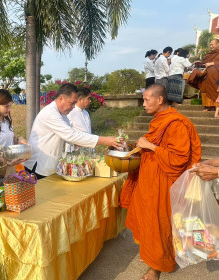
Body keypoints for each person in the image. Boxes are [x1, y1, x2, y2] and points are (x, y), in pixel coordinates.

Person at [120, 84, 201, 280]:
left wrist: (150, 146)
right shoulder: (160, 121)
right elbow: (156, 144)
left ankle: (156, 268)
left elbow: (178, 159)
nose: (144, 104)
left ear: (160, 100)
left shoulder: (176, 124)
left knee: (159, 225)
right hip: (150, 181)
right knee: (148, 222)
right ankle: (151, 255)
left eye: (147, 100)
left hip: (164, 184)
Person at [24, 83, 123, 179]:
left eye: (75, 103)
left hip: (49, 162)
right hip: (38, 165)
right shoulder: (50, 113)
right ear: (61, 98)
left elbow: (69, 136)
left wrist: (80, 143)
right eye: (71, 103)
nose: (73, 107)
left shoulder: (63, 114)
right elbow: (70, 135)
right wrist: (103, 140)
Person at [0, 89, 27, 174]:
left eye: (10, 106)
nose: (9, 109)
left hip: (11, 164)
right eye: (6, 106)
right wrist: (7, 162)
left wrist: (19, 141)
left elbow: (12, 142)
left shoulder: (7, 121)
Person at [187, 39, 219, 113]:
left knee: (214, 90)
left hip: (216, 75)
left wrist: (213, 63)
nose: (211, 46)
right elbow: (205, 63)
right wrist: (199, 63)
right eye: (210, 45)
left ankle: (215, 106)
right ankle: (209, 107)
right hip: (207, 75)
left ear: (218, 45)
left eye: (213, 44)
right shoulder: (209, 54)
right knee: (205, 89)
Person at [65, 87, 92, 152]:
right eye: (88, 98)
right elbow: (65, 134)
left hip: (88, 150)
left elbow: (88, 131)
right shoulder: (70, 113)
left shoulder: (86, 113)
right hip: (74, 152)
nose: (90, 101)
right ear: (80, 99)